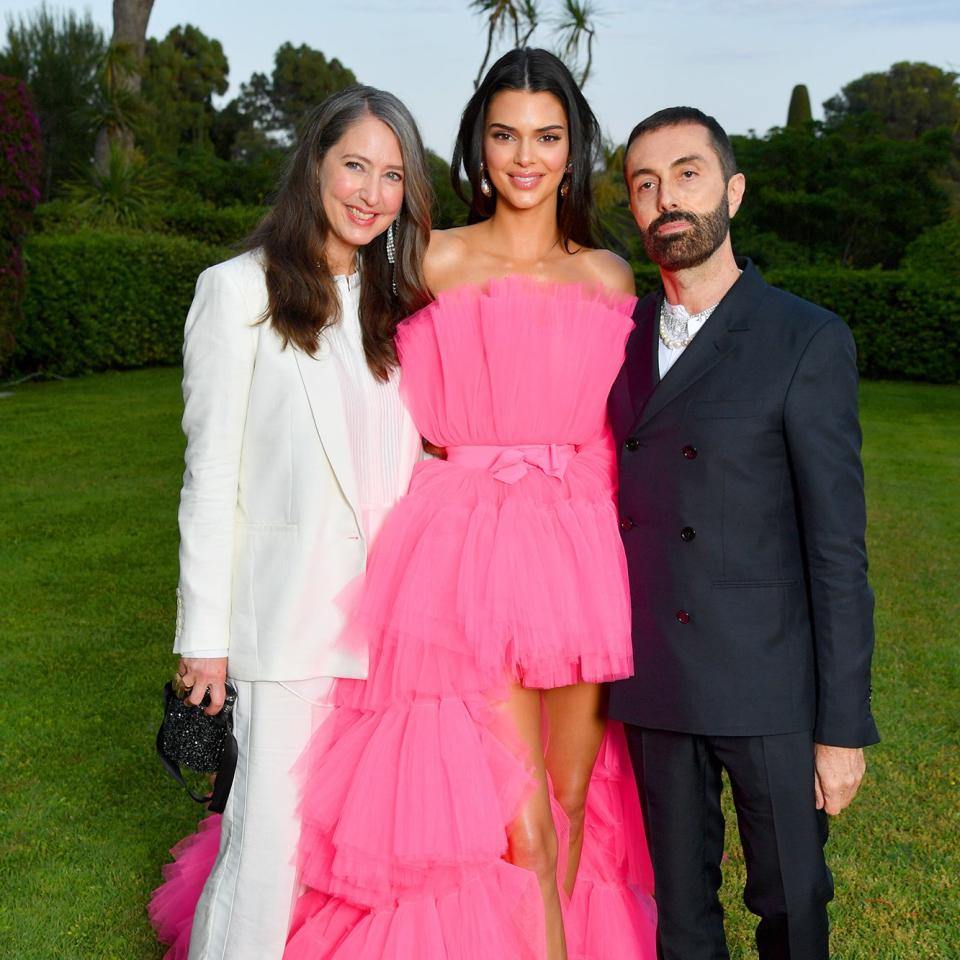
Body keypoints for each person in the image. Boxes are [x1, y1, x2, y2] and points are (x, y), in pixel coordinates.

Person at [283, 49, 656, 960]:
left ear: (574, 149)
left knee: (571, 805)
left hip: (578, 551)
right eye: (504, 134)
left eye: (547, 136)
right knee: (515, 825)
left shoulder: (610, 277)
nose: (524, 157)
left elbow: (620, 432)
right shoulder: (429, 260)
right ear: (477, 144)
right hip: (462, 555)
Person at [148, 85, 433, 960]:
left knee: (354, 854)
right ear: (314, 163)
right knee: (265, 853)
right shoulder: (235, 291)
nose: (370, 193)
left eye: (392, 176)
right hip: (287, 627)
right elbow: (211, 477)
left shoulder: (399, 307)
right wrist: (205, 638)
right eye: (355, 165)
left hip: (390, 637)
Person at [609, 106, 879, 960]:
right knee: (679, 916)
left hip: (770, 684)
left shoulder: (805, 338)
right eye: (645, 184)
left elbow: (839, 552)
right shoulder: (615, 340)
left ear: (732, 189)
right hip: (653, 678)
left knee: (793, 905)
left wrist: (840, 730)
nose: (665, 198)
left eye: (686, 173)